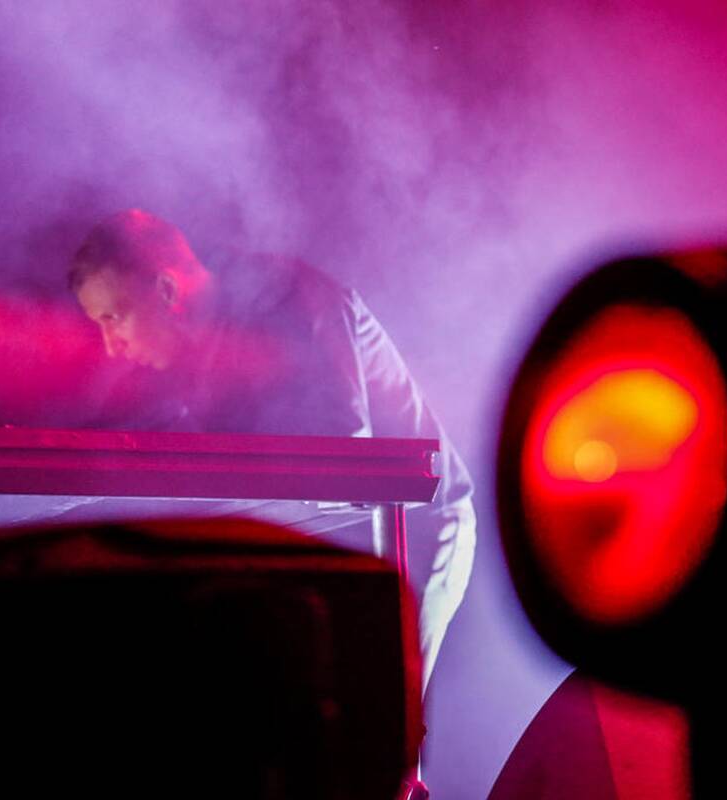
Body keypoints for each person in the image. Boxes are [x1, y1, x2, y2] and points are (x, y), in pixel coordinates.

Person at [67, 208, 476, 688]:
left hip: (411, 532)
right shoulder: (186, 356)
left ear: (167, 291)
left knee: (379, 711)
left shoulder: (291, 300)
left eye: (114, 318)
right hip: (328, 542)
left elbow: (342, 456)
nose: (111, 346)